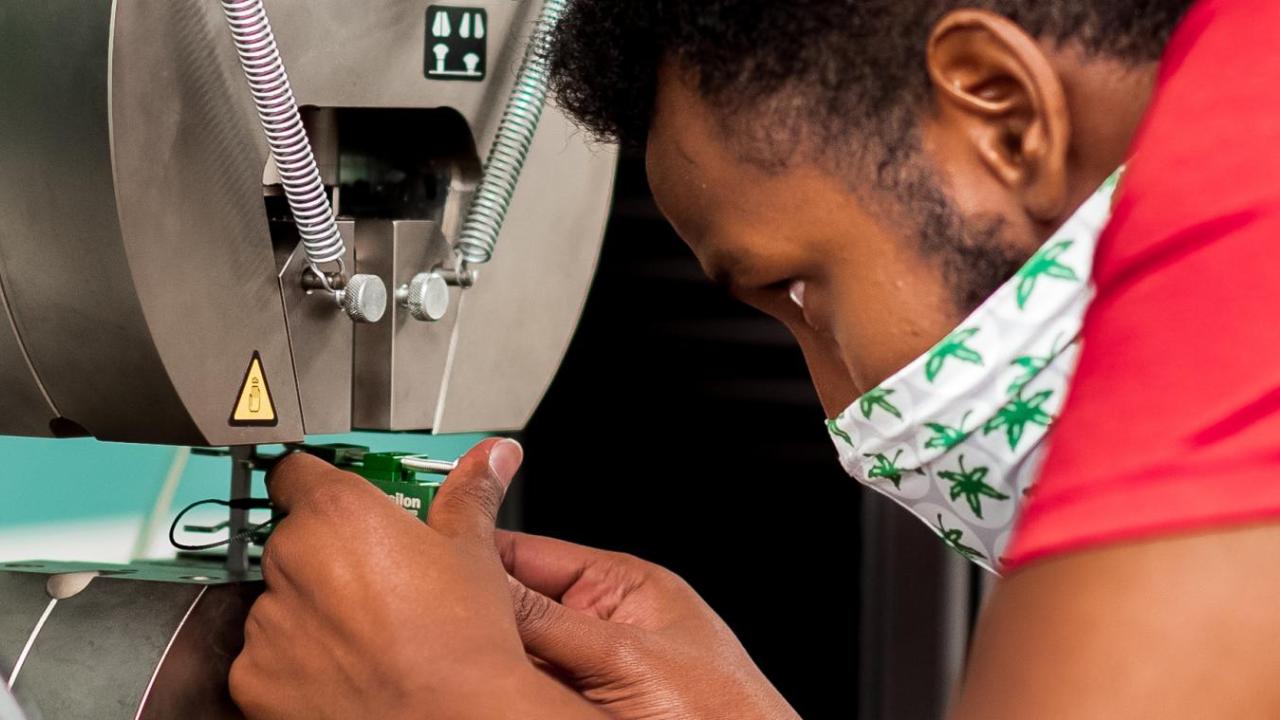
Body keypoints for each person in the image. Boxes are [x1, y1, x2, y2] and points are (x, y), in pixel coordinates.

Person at [231, 0, 1280, 716]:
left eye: (799, 290)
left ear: (996, 111)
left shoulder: (1239, 236)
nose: (839, 406)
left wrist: (450, 697)